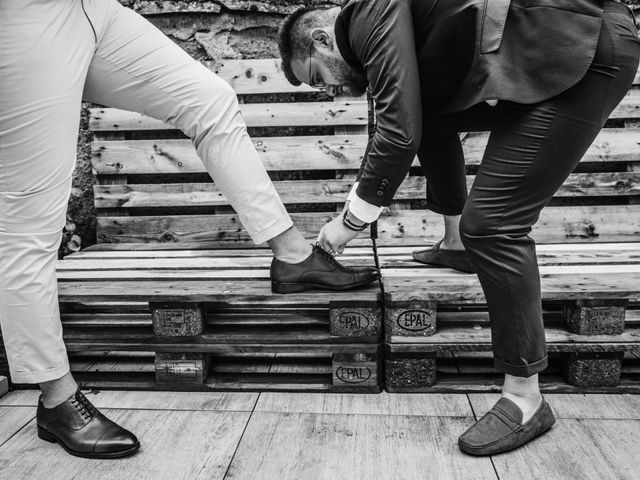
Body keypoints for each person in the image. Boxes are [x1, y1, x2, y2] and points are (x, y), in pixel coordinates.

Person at [0, 0, 380, 459]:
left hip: (92, 10)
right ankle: (57, 400)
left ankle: (294, 256)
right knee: (28, 223)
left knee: (209, 99)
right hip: (25, 17)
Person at [278, 0, 640, 455]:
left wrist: (347, 224)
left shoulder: (369, 13)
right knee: (430, 119)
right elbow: (414, 121)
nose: (329, 91)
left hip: (578, 49)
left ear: (321, 39)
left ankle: (525, 398)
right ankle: (455, 244)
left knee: (493, 226)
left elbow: (396, 134)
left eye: (317, 77)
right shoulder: (382, 34)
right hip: (542, 54)